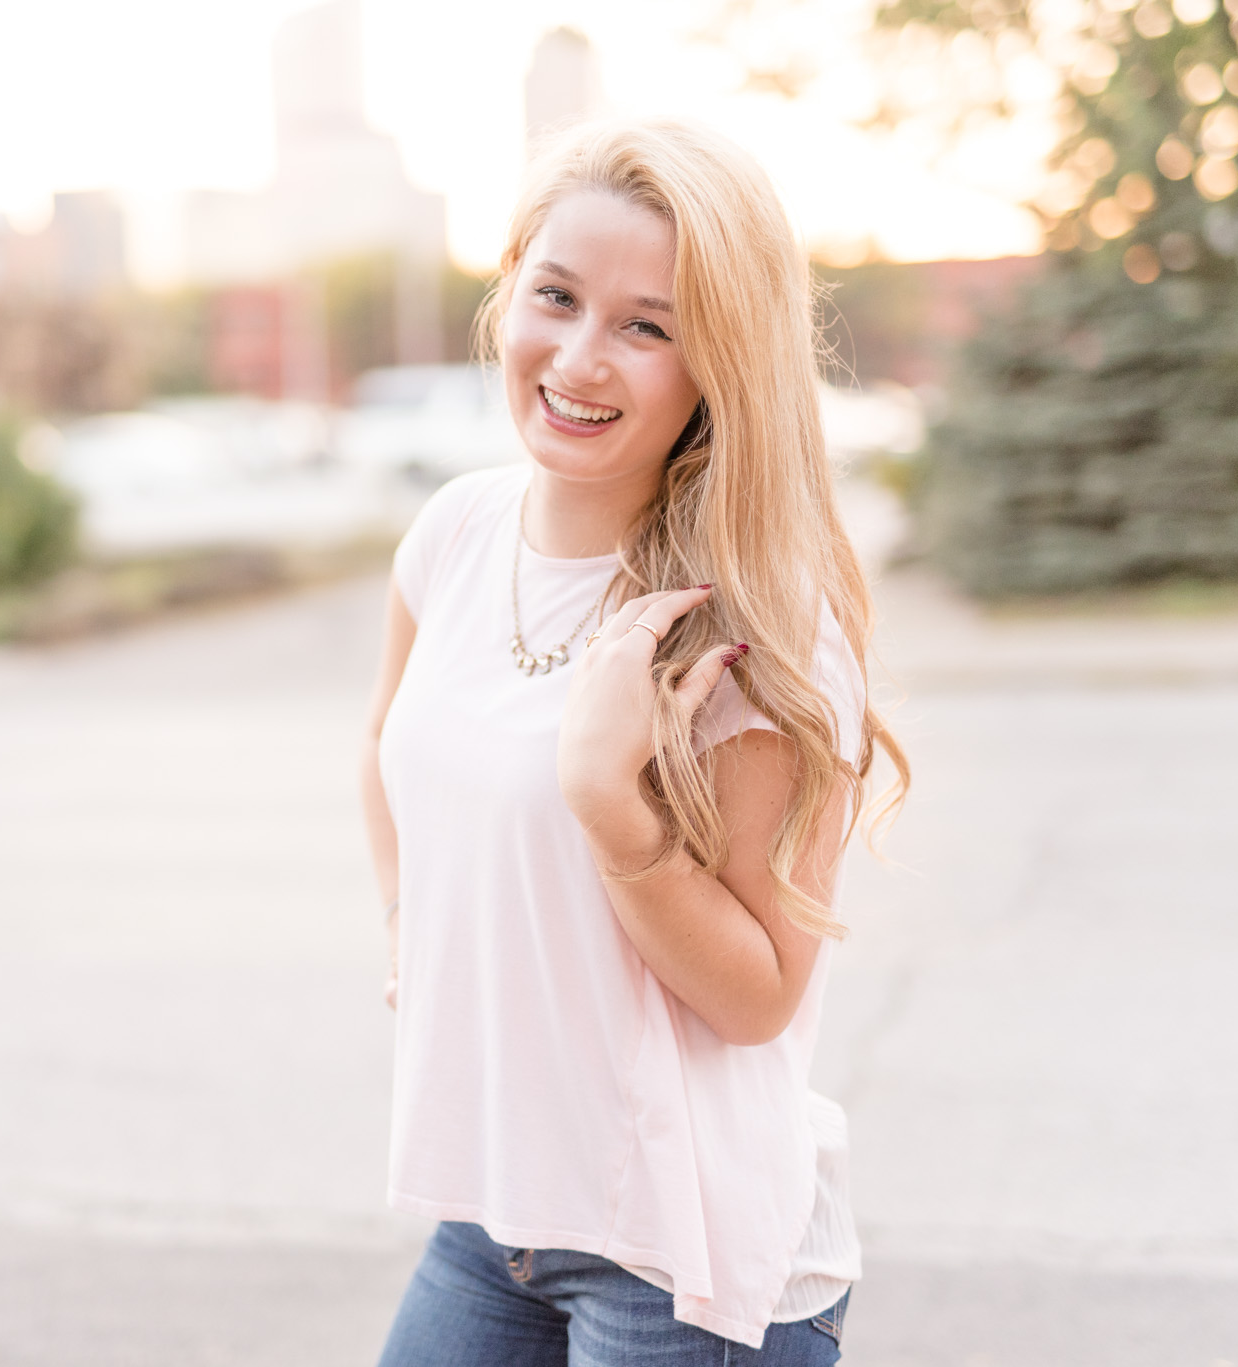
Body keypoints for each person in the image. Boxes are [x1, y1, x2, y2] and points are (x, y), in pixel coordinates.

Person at [359, 118, 909, 1366]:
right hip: (494, 1212)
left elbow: (757, 992)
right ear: (507, 295)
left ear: (715, 364)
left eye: (645, 325)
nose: (578, 357)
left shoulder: (754, 624)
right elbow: (385, 749)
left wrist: (618, 815)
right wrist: (410, 928)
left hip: (681, 1256)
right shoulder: (452, 535)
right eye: (554, 297)